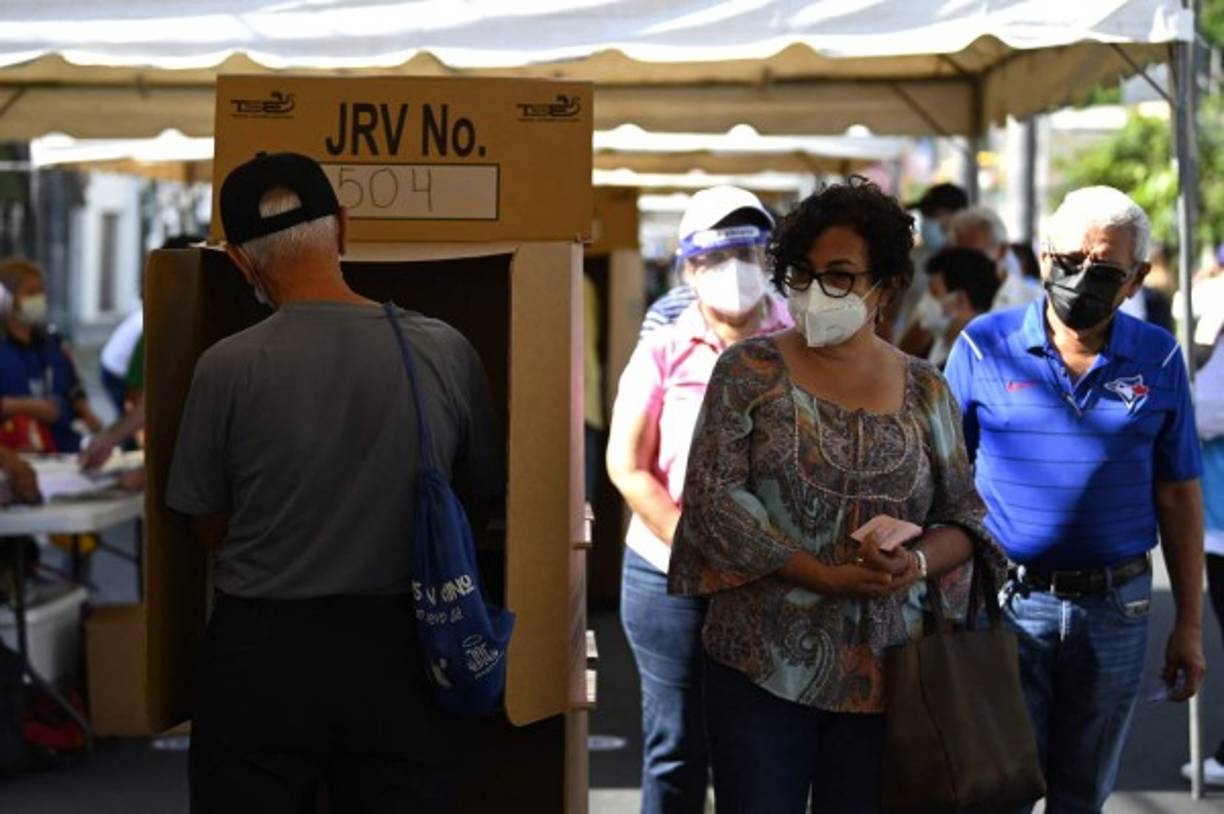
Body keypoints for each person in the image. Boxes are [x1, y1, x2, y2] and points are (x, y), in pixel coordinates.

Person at [166, 152, 503, 811]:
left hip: (260, 654)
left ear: (238, 260)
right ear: (344, 227)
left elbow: (203, 518)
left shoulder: (224, 367)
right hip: (404, 648)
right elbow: (483, 490)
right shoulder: (442, 349)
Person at [667, 176, 1004, 814]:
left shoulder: (926, 389)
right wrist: (823, 575)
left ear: (885, 285)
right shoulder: (747, 371)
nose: (819, 290)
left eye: (842, 275)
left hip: (892, 677)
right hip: (759, 666)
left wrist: (918, 563)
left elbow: (965, 518)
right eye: (805, 273)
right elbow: (712, 503)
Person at [944, 186, 1205, 813]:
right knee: (995, 788)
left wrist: (1190, 626)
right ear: (1041, 257)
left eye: (1105, 269)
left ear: (1136, 277)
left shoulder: (1159, 355)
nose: (1080, 278)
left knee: (1083, 793)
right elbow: (942, 479)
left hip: (1117, 608)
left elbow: (1177, 492)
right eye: (1068, 261)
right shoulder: (984, 346)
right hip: (1006, 602)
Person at [606, 184, 787, 814]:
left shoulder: (807, 341)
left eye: (750, 250)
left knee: (761, 748)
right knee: (677, 745)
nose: (735, 270)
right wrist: (698, 546)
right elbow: (627, 465)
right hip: (668, 573)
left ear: (771, 259)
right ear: (689, 266)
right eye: (716, 255)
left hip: (778, 576)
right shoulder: (662, 346)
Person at [0, 258, 101, 454]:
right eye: (30, 293)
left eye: (40, 292)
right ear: (6, 298)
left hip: (64, 447)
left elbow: (74, 389)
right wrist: (31, 407)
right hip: (15, 450)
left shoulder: (52, 341)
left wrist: (93, 422)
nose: (38, 299)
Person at [889, 181, 968, 343]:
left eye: (934, 214)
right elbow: (891, 313)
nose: (927, 221)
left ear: (959, 216)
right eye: (925, 215)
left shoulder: (975, 262)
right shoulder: (911, 259)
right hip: (909, 351)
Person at [912, 247, 1002, 367]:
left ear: (960, 301)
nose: (926, 300)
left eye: (935, 293)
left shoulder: (982, 364)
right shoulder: (939, 344)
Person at [947, 205, 1041, 312]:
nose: (966, 262)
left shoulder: (1034, 302)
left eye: (974, 254)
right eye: (959, 255)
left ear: (1002, 250)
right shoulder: (944, 299)